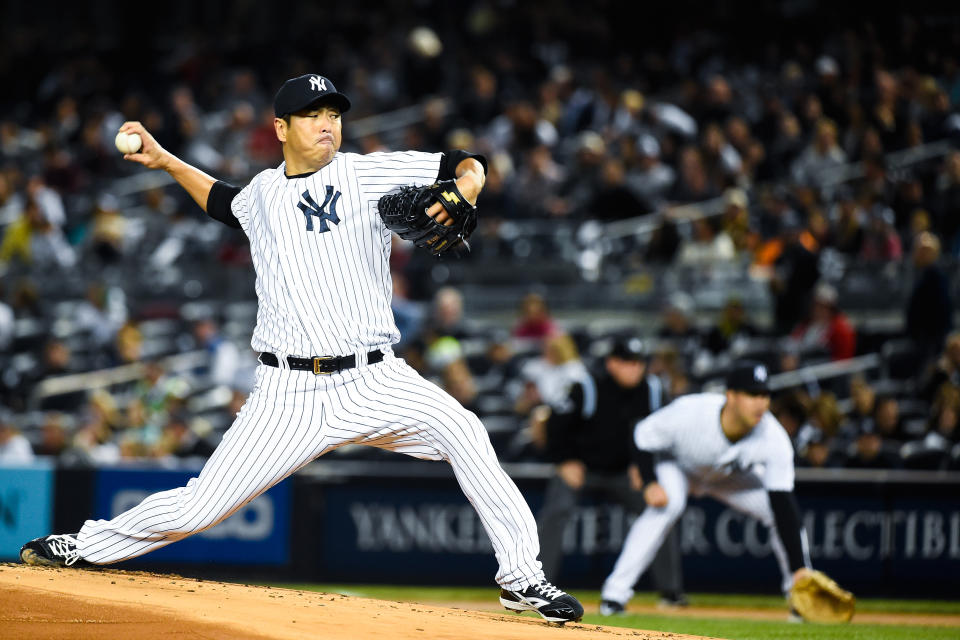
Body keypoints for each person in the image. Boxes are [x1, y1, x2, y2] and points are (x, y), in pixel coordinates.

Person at [20, 73, 583, 625]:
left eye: (334, 115)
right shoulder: (263, 194)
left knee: (466, 432)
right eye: (314, 115)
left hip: (375, 379)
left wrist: (469, 185)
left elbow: (463, 161)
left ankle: (521, 577)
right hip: (286, 394)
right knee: (199, 506)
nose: (327, 125)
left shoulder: (366, 173)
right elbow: (223, 202)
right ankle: (87, 545)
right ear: (281, 127)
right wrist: (166, 160)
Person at [599, 360, 815, 619]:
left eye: (765, 395)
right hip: (679, 468)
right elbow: (641, 434)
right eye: (752, 394)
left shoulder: (774, 438)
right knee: (668, 506)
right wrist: (649, 481)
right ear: (731, 395)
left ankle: (800, 594)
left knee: (779, 512)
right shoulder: (691, 411)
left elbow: (783, 504)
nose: (760, 402)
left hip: (728, 478)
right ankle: (614, 595)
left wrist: (798, 565)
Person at [533, 337, 687, 607]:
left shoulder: (653, 390)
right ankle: (536, 585)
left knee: (660, 510)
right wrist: (565, 460)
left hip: (625, 475)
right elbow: (554, 424)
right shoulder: (587, 387)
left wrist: (646, 468)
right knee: (557, 510)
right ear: (612, 363)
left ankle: (670, 592)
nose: (634, 369)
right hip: (583, 469)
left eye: (639, 363)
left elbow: (666, 435)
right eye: (627, 362)